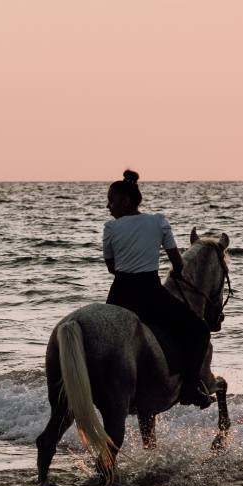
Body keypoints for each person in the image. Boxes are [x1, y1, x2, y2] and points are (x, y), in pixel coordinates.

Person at [102, 169, 211, 407]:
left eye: (111, 200)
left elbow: (112, 267)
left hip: (118, 296)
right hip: (150, 296)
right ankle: (190, 389)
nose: (108, 206)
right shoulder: (158, 221)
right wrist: (177, 270)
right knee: (199, 331)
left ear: (126, 201)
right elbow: (177, 263)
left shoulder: (110, 228)